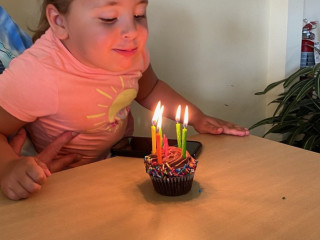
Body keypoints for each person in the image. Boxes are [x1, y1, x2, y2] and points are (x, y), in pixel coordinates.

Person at [0, 0, 249, 201]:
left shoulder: (131, 51)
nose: (132, 32)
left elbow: (150, 89)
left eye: (139, 14)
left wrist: (198, 118)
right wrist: (8, 167)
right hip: (55, 186)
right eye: (109, 18)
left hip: (110, 168)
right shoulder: (39, 74)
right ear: (59, 21)